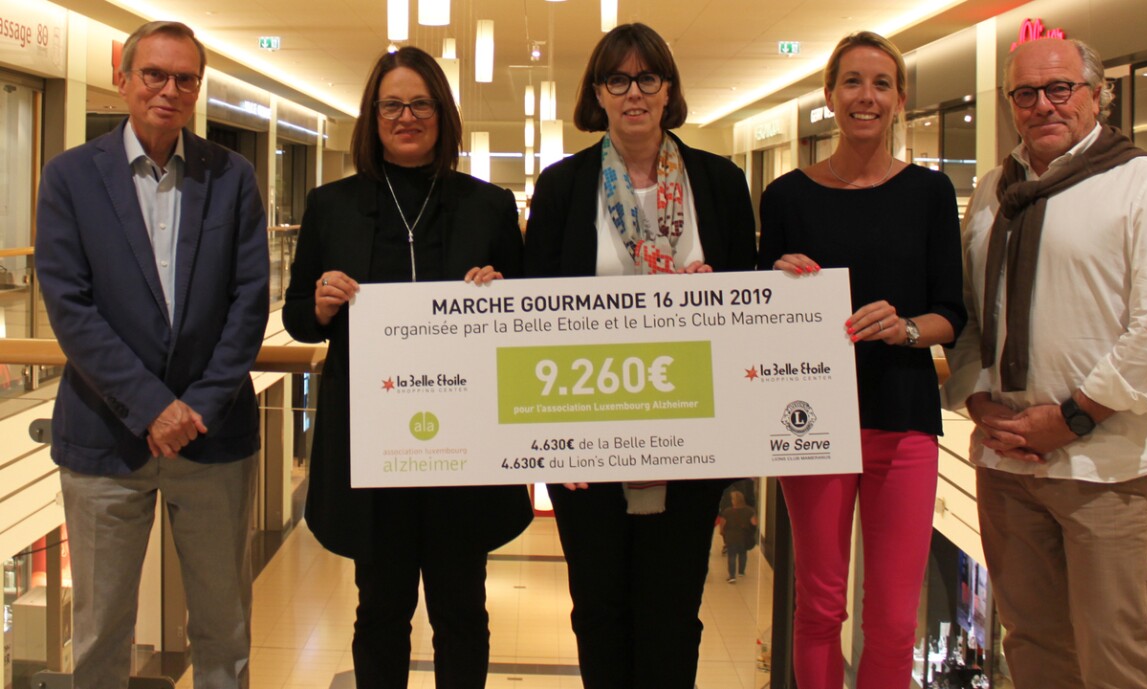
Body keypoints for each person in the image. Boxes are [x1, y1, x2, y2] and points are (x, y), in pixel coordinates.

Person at [944, 38, 1147, 689]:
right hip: (1007, 461)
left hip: (1106, 466)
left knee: (1115, 655)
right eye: (1026, 93)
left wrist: (1072, 418)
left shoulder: (1144, 182)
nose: (1044, 105)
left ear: (1096, 94)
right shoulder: (993, 190)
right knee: (1032, 644)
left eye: (1060, 88)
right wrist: (978, 399)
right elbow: (972, 311)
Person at [282, 46, 532, 689]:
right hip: (374, 448)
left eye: (421, 104)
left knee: (462, 610)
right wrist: (319, 303)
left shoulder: (488, 204)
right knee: (380, 610)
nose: (406, 117)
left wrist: (501, 294)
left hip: (466, 445)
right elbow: (297, 316)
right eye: (391, 105)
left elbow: (527, 318)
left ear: (442, 115)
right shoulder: (331, 204)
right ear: (372, 117)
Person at [34, 20, 269, 689]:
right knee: (101, 632)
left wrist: (195, 407)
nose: (169, 90)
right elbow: (70, 307)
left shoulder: (232, 176)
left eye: (185, 79)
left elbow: (249, 301)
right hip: (104, 439)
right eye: (155, 74)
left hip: (212, 436)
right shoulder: (70, 177)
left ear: (198, 88)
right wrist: (150, 407)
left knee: (224, 630)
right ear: (123, 79)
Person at [523, 22, 757, 689]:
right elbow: (533, 313)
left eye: (647, 78)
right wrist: (549, 439)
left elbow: (748, 301)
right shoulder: (563, 186)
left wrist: (736, 289)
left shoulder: (720, 181)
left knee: (674, 612)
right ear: (597, 93)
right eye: (617, 79)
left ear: (668, 90)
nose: (634, 93)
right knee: (598, 610)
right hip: (586, 434)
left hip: (693, 431)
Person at [757, 31, 965, 689]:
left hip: (902, 419)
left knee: (895, 618)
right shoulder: (786, 197)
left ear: (900, 99)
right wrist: (775, 282)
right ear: (829, 95)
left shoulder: (930, 193)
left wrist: (905, 328)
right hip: (810, 422)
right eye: (852, 81)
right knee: (820, 605)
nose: (866, 96)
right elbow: (758, 319)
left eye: (881, 84)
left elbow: (951, 313)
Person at [718, 490, 757, 583]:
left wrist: (722, 531)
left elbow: (722, 523)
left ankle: (732, 576)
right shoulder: (750, 510)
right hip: (743, 537)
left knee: (732, 556)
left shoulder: (727, 511)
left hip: (731, 537)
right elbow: (754, 523)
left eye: (732, 499)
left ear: (734, 501)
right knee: (743, 554)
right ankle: (741, 571)